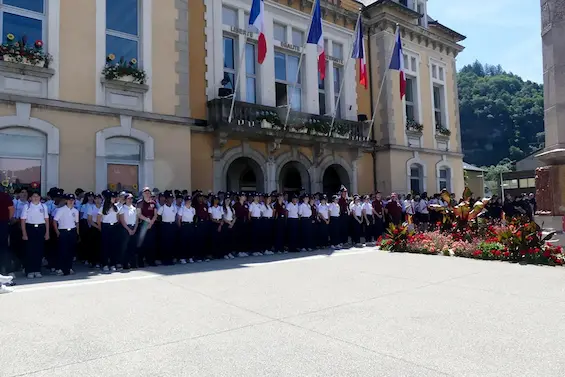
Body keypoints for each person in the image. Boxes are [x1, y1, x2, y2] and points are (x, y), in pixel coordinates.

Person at [20, 190, 49, 278]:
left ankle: (37, 270)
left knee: (39, 250)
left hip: (40, 228)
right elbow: (23, 220)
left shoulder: (44, 206)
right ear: (30, 198)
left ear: (40, 197)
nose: (35, 198)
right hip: (30, 228)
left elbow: (46, 220)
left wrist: (47, 232)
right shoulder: (27, 206)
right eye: (34, 196)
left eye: (37, 196)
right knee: (30, 250)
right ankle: (30, 270)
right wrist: (24, 233)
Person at [53, 194, 79, 276]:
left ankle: (69, 267)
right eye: (69, 200)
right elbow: (54, 221)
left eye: (72, 200)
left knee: (71, 250)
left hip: (72, 231)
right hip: (63, 231)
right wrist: (57, 232)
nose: (71, 201)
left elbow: (77, 222)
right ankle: (60, 268)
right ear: (66, 201)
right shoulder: (61, 210)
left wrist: (77, 232)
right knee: (62, 250)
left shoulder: (75, 211)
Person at [97, 190, 119, 272]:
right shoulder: (103, 208)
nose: (114, 199)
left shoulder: (116, 207)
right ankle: (105, 264)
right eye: (113, 197)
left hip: (114, 226)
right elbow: (99, 219)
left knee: (113, 246)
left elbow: (117, 218)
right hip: (106, 226)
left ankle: (113, 263)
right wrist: (101, 228)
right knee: (105, 246)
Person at [137, 187, 158, 267]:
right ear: (142, 193)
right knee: (142, 244)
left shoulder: (153, 203)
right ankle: (141, 262)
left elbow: (155, 215)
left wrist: (151, 223)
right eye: (145, 192)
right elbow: (139, 214)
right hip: (143, 225)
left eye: (148, 192)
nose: (147, 193)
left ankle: (151, 261)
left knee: (151, 244)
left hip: (151, 225)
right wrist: (146, 220)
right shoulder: (140, 203)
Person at [118, 193, 139, 269]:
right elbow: (122, 220)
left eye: (131, 198)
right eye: (128, 198)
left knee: (133, 247)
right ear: (125, 199)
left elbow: (137, 220)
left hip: (133, 228)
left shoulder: (134, 208)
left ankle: (133, 263)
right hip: (126, 228)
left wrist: (135, 229)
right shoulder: (122, 208)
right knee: (125, 247)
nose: (130, 200)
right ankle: (125, 264)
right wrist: (128, 229)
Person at [157, 191, 178, 265]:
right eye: (169, 198)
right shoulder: (162, 208)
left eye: (172, 198)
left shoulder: (174, 207)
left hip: (172, 225)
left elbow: (175, 216)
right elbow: (158, 216)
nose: (171, 200)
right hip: (165, 225)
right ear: (166, 199)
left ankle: (170, 259)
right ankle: (165, 260)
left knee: (172, 242)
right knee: (165, 243)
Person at [0, 186, 15, 278]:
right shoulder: (5, 196)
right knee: (4, 247)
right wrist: (8, 219)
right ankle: (5, 269)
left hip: (3, 223)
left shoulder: (5, 196)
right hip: (3, 223)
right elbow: (11, 209)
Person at [177, 195, 196, 264]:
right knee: (183, 242)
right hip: (184, 225)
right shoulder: (182, 209)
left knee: (191, 242)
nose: (189, 202)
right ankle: (182, 258)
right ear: (185, 202)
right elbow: (179, 219)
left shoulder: (193, 209)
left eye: (190, 201)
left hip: (190, 225)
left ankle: (190, 257)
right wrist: (180, 227)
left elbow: (193, 218)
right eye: (187, 201)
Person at [87, 194, 103, 268]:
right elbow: (89, 220)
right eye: (96, 199)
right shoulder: (91, 207)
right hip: (94, 226)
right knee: (93, 245)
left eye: (99, 198)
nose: (98, 200)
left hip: (102, 226)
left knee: (101, 245)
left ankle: (100, 261)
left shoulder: (103, 207)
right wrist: (97, 227)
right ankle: (93, 261)